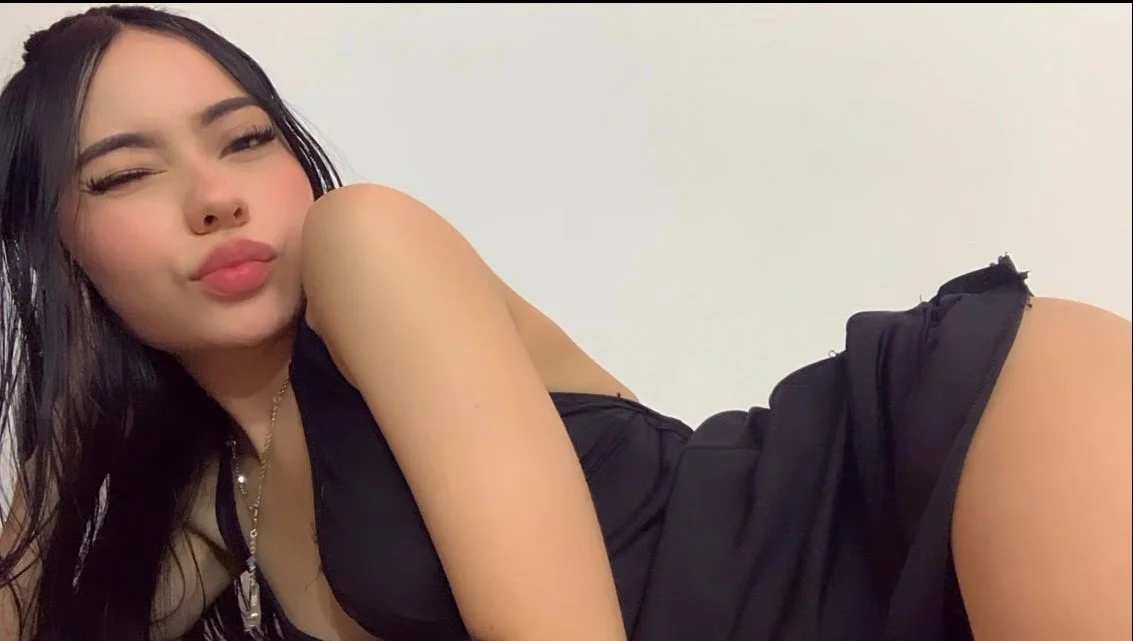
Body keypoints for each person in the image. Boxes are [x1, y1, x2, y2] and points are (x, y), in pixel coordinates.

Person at [0, 5, 1128, 641]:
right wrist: (67, 422)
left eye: (246, 139)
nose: (215, 195)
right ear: (60, 247)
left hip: (947, 448)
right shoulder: (220, 509)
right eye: (125, 174)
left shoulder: (364, 243)